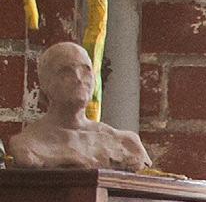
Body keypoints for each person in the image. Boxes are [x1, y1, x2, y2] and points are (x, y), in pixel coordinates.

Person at [7, 43, 150, 169]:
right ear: (45, 83)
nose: (79, 78)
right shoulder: (27, 144)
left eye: (86, 70)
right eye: (66, 71)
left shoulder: (127, 144)